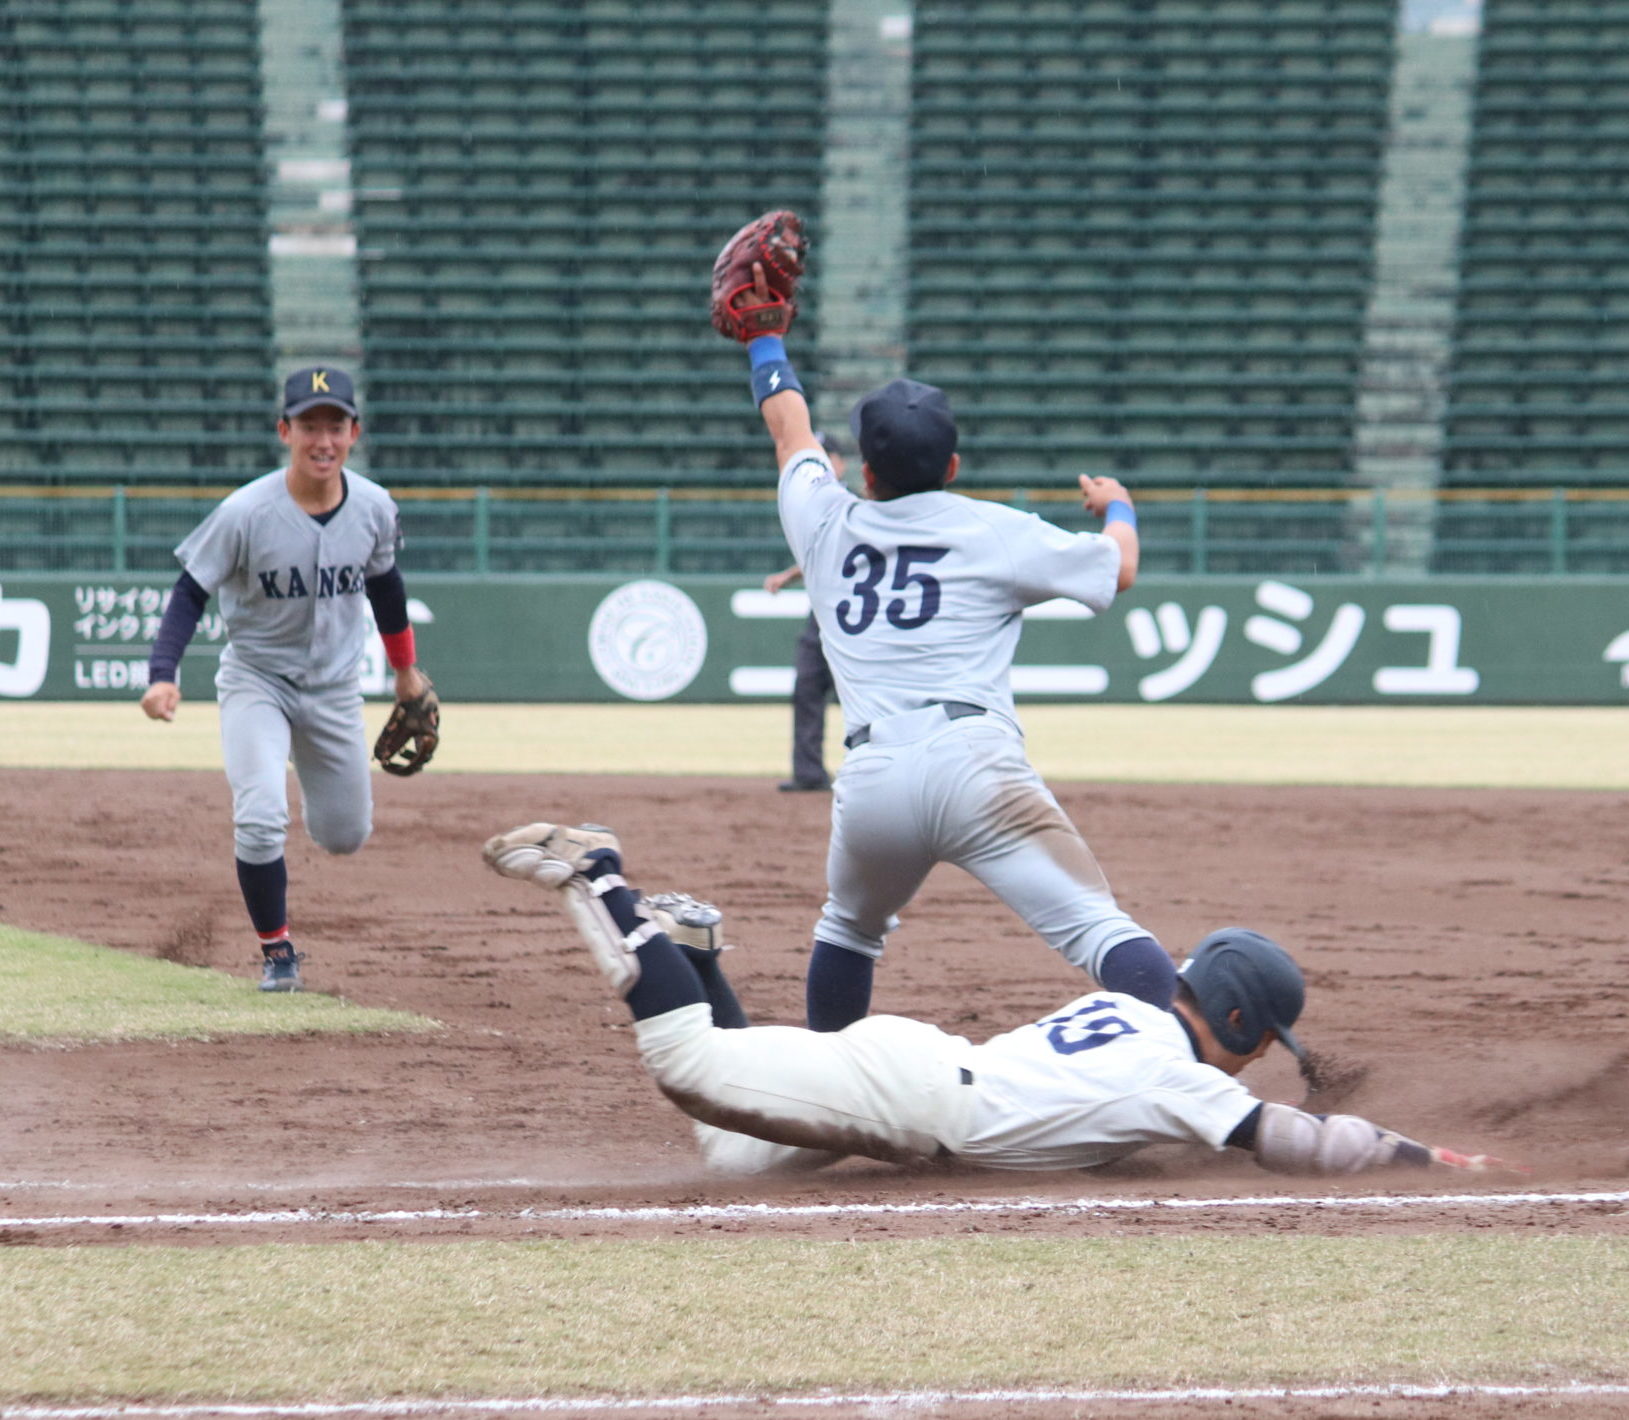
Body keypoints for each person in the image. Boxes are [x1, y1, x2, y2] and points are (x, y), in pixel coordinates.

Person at [481, 821, 1504, 1179]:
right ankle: (599, 874)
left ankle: (697, 954)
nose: (1255, 1060)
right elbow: (1296, 1140)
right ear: (1240, 1027)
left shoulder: (1145, 1023)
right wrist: (1426, 1158)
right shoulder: (1178, 1076)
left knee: (738, 1157)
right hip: (916, 1095)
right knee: (688, 1065)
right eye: (1262, 1042)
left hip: (919, 1075)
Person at [728, 280, 1174, 1032]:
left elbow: (788, 429)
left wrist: (762, 339)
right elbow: (1117, 569)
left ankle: (830, 1097)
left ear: (864, 472)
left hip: (872, 782)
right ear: (954, 465)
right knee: (1100, 933)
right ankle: (1182, 1080)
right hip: (977, 768)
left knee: (847, 929)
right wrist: (1118, 505)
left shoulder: (824, 521)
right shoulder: (996, 530)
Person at [140, 366, 434, 992]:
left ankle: (296, 803)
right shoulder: (246, 511)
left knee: (345, 834)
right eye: (308, 426)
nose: (321, 440)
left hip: (333, 689)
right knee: (260, 816)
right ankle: (278, 954)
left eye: (334, 426)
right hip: (257, 681)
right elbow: (190, 592)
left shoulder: (375, 507)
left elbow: (386, 589)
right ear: (285, 431)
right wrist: (162, 674)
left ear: (354, 432)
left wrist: (407, 673)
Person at [762, 435, 845, 794]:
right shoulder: (816, 505)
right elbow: (816, 553)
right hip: (822, 612)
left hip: (854, 611)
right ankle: (808, 773)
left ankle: (876, 776)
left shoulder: (850, 502)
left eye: (826, 456)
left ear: (838, 463)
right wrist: (790, 575)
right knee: (807, 685)